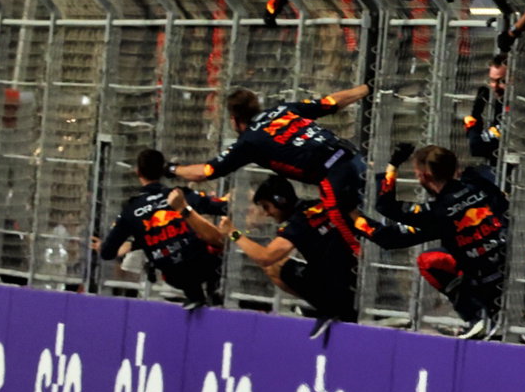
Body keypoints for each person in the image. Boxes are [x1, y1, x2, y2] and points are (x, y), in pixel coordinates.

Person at [168, 84, 371, 258]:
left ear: (234, 120)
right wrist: (367, 87)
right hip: (355, 157)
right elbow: (331, 102)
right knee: (371, 212)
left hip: (334, 176)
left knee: (356, 242)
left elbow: (206, 171)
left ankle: (364, 264)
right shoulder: (284, 109)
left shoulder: (248, 142)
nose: (266, 214)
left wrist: (172, 169)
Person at [365, 144, 509, 338]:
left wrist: (393, 165)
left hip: (483, 279)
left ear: (424, 176)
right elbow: (501, 201)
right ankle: (490, 316)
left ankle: (475, 315)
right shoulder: (478, 182)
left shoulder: (436, 212)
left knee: (429, 260)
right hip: (514, 265)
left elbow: (385, 206)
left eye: (417, 174)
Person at [211, 175, 363, 339]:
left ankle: (330, 308)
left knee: (274, 266)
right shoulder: (317, 205)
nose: (267, 214)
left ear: (281, 201)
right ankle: (332, 306)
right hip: (356, 277)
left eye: (267, 207)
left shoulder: (298, 223)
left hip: (337, 289)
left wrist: (233, 233)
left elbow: (265, 257)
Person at [96, 149, 227, 309]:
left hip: (174, 277)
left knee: (171, 261)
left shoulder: (130, 210)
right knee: (210, 244)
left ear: (138, 172)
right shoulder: (180, 194)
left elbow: (107, 253)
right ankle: (215, 293)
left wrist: (134, 242)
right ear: (162, 170)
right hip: (206, 264)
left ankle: (199, 296)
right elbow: (222, 207)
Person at [466, 56, 507, 173]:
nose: (495, 86)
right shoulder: (499, 104)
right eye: (492, 81)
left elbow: (477, 144)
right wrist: (476, 111)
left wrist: (476, 113)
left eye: (502, 81)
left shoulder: (516, 107)